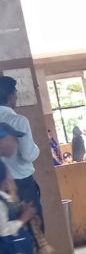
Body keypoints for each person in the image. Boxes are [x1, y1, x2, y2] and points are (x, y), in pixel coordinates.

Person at [0, 75, 44, 228]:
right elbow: (28, 154)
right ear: (10, 96)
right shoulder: (18, 121)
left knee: (10, 227)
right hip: (22, 185)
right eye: (15, 93)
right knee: (34, 230)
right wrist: (36, 148)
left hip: (2, 186)